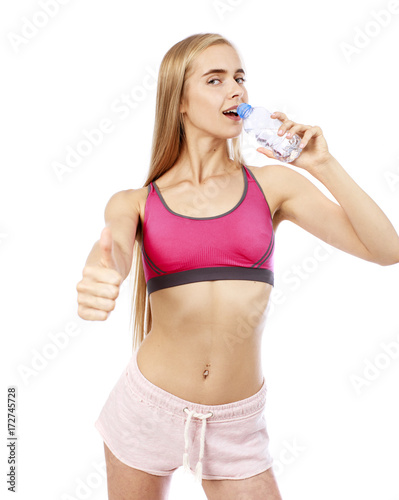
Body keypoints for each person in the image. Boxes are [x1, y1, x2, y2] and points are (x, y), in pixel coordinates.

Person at [76, 33, 399, 500]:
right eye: (215, 79)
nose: (238, 91)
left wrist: (322, 165)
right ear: (180, 102)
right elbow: (114, 248)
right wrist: (101, 273)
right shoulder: (137, 201)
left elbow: (387, 248)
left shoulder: (273, 187)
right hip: (147, 408)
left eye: (240, 78)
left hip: (236, 425)